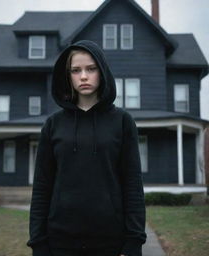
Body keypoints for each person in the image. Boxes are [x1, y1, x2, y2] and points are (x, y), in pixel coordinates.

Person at [27, 40, 147, 256]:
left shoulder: (122, 121)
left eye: (91, 69)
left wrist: (134, 242)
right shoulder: (53, 125)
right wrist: (38, 243)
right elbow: (42, 187)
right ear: (68, 76)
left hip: (111, 243)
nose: (83, 76)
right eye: (76, 70)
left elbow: (133, 185)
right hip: (60, 243)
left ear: (102, 71)